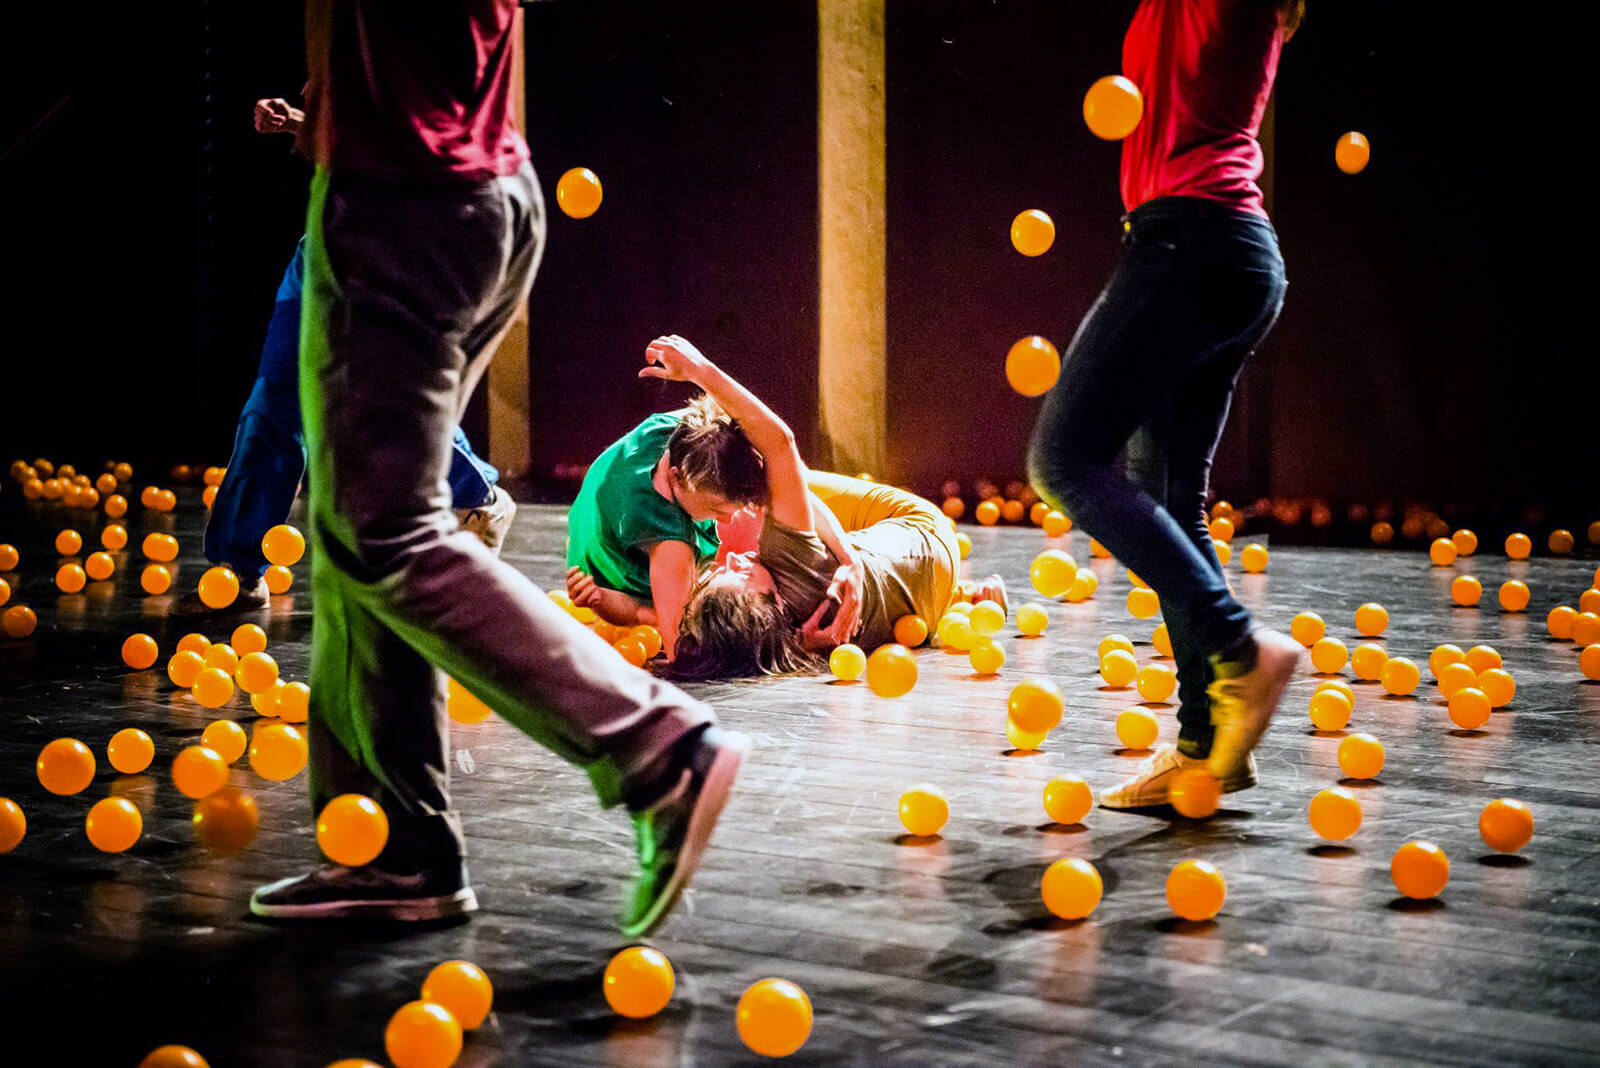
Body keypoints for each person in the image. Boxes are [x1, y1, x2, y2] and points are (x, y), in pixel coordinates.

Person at [251, 1, 748, 940]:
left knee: (386, 532)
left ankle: (657, 748)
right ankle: (401, 851)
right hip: (478, 188)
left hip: (403, 198)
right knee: (359, 530)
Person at [1027, 0, 1306, 809]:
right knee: (1168, 498)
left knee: (1060, 461)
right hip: (1216, 249)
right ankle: (1206, 747)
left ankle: (1238, 647)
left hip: (1193, 242)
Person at [183, 93, 513, 617]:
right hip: (321, 254)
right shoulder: (335, 36)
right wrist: (299, 120)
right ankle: (240, 564)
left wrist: (303, 120)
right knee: (273, 406)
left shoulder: (405, 51)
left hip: (392, 254)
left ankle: (475, 493)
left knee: (387, 399)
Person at [622, 335, 1004, 681]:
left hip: (927, 604)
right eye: (739, 577)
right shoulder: (788, 560)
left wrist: (624, 609)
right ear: (767, 608)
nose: (732, 561)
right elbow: (780, 442)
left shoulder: (794, 642)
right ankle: (961, 592)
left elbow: (719, 649)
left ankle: (965, 594)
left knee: (779, 495)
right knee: (774, 473)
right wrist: (700, 371)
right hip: (927, 533)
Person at [561, 395, 768, 659]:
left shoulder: (692, 428)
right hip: (609, 567)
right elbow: (680, 653)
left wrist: (841, 553)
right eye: (716, 511)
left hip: (594, 512)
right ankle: (640, 610)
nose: (725, 520)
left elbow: (783, 460)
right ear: (676, 477)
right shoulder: (671, 546)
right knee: (684, 613)